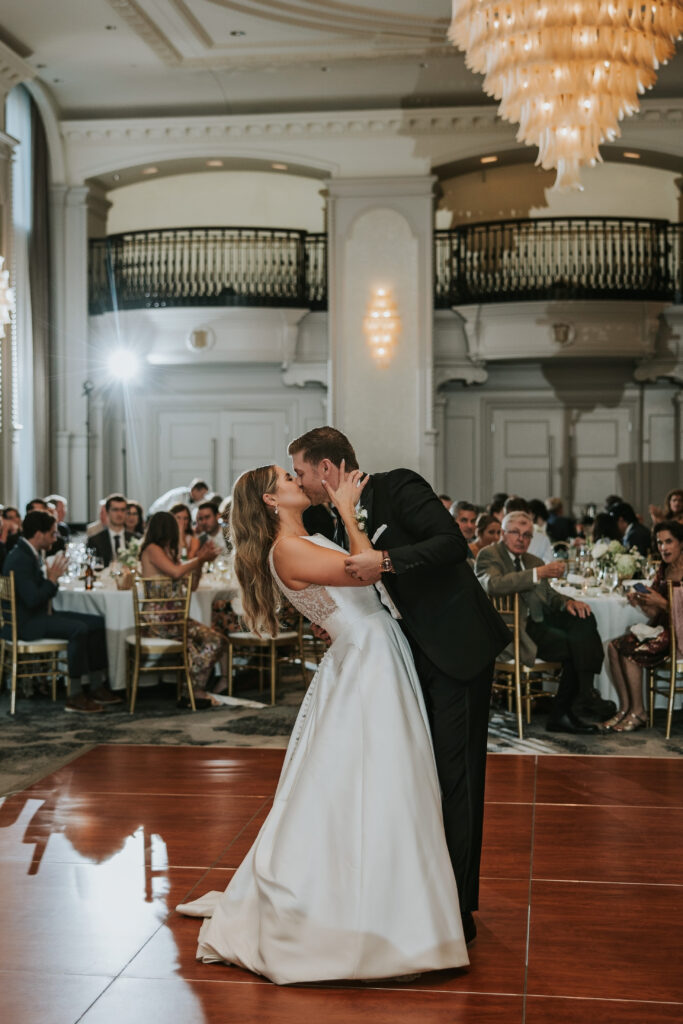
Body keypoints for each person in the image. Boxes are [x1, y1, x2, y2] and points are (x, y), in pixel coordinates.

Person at [178, 462, 470, 984]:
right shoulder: (287, 549)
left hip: (374, 651)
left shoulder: (305, 539)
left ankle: (390, 904)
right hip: (366, 659)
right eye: (286, 480)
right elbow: (368, 569)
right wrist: (348, 511)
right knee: (371, 780)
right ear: (271, 502)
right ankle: (359, 914)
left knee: (385, 780)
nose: (297, 482)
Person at [289, 427, 510, 945]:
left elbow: (452, 545)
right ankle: (422, 896)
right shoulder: (330, 519)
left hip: (456, 648)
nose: (301, 480)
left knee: (457, 779)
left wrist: (386, 560)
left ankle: (458, 910)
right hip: (403, 655)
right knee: (418, 775)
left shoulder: (399, 486)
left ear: (327, 467)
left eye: (301, 470)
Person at [475, 511, 608, 731]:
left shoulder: (532, 560)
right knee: (575, 646)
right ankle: (573, 705)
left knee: (584, 617)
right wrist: (537, 573)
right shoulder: (490, 555)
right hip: (512, 631)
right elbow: (493, 585)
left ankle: (578, 698)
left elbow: (549, 596)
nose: (521, 539)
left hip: (539, 622)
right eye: (516, 533)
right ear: (503, 534)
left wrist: (567, 603)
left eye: (527, 535)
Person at [1, 510, 119, 713]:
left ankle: (96, 686)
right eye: (52, 534)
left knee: (98, 622)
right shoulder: (20, 558)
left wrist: (50, 579)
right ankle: (74, 695)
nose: (55, 538)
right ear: (39, 534)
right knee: (78, 629)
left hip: (35, 617)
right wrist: (52, 580)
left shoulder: (28, 552)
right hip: (26, 624)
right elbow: (32, 600)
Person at [604, 520, 683, 733]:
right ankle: (626, 708)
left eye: (669, 542)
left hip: (679, 634)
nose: (664, 548)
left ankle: (639, 711)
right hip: (661, 628)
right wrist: (641, 602)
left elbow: (671, 609)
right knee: (613, 646)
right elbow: (655, 613)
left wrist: (662, 603)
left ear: (680, 543)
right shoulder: (663, 569)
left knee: (631, 650)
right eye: (659, 543)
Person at [138, 511, 224, 707]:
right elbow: (176, 572)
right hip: (157, 622)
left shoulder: (169, 553)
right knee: (207, 641)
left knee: (216, 640)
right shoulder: (152, 550)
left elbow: (191, 586)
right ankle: (195, 692)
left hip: (175, 620)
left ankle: (192, 690)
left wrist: (200, 563)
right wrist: (199, 559)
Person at [87, 493, 133, 567]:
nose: (119, 514)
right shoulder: (95, 540)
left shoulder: (135, 538)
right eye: (115, 510)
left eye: (123, 510)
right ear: (107, 512)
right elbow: (91, 566)